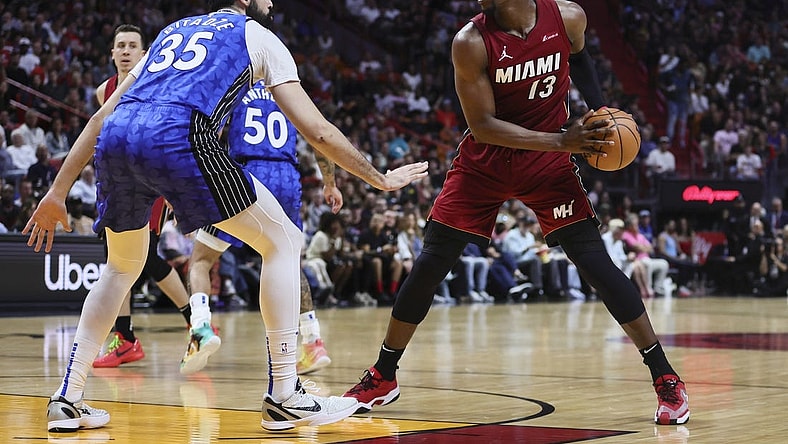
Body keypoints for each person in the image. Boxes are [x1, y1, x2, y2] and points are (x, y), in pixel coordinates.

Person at [25, 0, 427, 433]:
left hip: (119, 139)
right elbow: (319, 131)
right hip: (178, 136)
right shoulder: (258, 35)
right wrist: (378, 179)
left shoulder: (172, 31)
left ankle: (67, 397)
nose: (272, 2)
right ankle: (286, 393)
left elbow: (104, 115)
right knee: (285, 242)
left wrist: (57, 191)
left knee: (121, 267)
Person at [343, 0, 689, 426]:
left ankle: (665, 377)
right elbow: (484, 125)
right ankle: (384, 375)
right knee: (431, 263)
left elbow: (579, 58)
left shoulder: (567, 17)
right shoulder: (470, 42)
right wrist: (563, 142)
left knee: (596, 264)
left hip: (545, 164)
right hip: (487, 161)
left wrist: (599, 112)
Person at [187, 80, 342, 376]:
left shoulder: (233, 86)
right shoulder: (289, 89)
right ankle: (312, 342)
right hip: (285, 177)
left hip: (245, 172)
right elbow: (319, 136)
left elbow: (208, 134)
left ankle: (200, 328)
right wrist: (330, 182)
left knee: (201, 259)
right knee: (288, 262)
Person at [90, 24, 196, 370]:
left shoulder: (153, 85)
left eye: (131, 46)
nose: (125, 51)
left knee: (137, 258)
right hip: (116, 181)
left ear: (143, 53)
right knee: (133, 259)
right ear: (112, 53)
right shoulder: (102, 91)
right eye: (119, 46)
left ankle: (133, 336)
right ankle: (179, 323)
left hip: (148, 181)